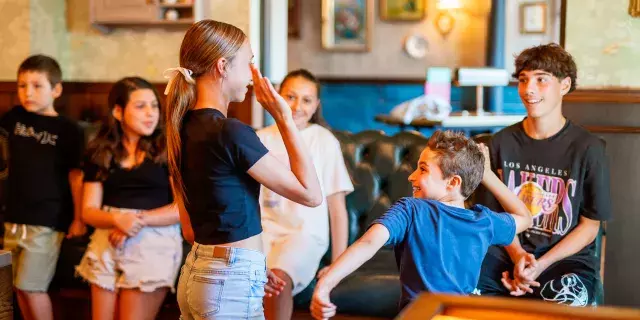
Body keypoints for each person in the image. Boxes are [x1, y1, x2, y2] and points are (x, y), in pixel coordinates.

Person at [163, 20, 323, 319]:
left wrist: (254, 266)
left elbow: (189, 229)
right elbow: (311, 195)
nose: (252, 74)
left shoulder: (179, 128)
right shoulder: (231, 132)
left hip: (198, 273)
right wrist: (284, 118)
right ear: (222, 66)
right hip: (227, 281)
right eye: (248, 62)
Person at [310, 130, 533, 319]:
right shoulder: (484, 221)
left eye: (423, 169)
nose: (411, 176)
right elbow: (524, 216)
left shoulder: (411, 209)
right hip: (460, 313)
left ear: (453, 182)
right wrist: (488, 176)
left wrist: (325, 284)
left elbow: (369, 242)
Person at [475, 43, 611, 306]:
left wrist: (540, 264)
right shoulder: (500, 143)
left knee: (567, 302)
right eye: (524, 80)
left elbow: (590, 226)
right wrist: (518, 258)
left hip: (564, 260)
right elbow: (493, 218)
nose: (529, 90)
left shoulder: (589, 148)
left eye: (541, 79)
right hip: (505, 254)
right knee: (460, 293)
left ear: (564, 85)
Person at [75, 77, 182, 320]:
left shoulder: (168, 148)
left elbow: (180, 208)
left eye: (154, 106)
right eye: (141, 106)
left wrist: (134, 221)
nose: (151, 114)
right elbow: (89, 210)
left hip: (155, 238)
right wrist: (117, 219)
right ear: (118, 111)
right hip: (106, 236)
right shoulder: (100, 150)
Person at [258, 69, 353, 320]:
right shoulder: (259, 138)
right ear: (277, 95)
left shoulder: (324, 141)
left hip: (304, 234)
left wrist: (337, 264)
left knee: (276, 282)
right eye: (290, 96)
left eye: (307, 100)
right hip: (262, 231)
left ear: (316, 106)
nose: (297, 106)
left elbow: (337, 208)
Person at [0, 54, 86, 320]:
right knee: (17, 288)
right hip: (12, 219)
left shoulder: (68, 129)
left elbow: (76, 176)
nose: (28, 93)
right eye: (22, 86)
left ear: (56, 90)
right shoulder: (13, 118)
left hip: (47, 221)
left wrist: (79, 218)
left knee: (31, 286)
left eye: (37, 86)